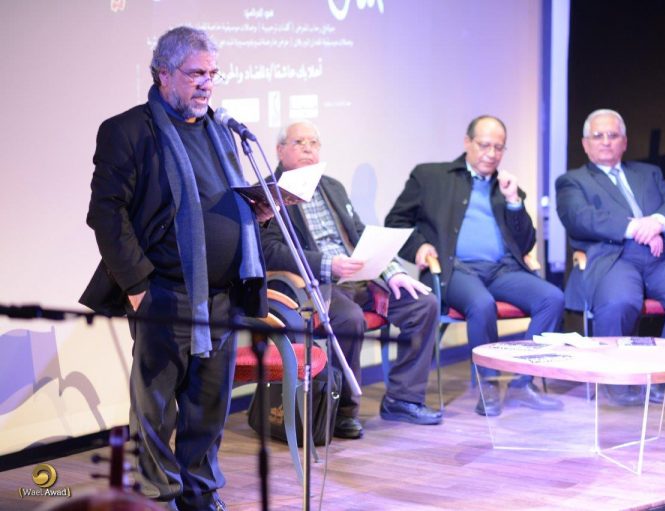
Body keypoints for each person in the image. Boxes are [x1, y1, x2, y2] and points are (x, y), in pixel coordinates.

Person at [79, 27, 271, 511]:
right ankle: (156, 496)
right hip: (164, 293)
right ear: (162, 74)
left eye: (213, 74)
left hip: (221, 295)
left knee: (208, 407)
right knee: (156, 409)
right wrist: (138, 287)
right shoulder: (128, 131)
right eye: (196, 74)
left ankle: (200, 494)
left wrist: (257, 212)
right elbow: (106, 214)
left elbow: (224, 200)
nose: (206, 83)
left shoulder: (221, 132)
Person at [261, 120, 443, 439]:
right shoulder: (267, 193)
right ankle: (344, 411)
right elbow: (269, 250)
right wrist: (329, 264)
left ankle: (403, 399)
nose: (308, 149)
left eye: (314, 143)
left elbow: (359, 234)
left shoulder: (331, 186)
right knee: (350, 318)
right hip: (313, 284)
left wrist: (393, 272)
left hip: (360, 277)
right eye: (299, 142)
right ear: (280, 150)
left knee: (423, 304)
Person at [385, 115, 565, 417]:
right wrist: (419, 247)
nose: (491, 154)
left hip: (502, 270)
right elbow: (396, 222)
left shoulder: (506, 188)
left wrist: (514, 201)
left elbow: (524, 244)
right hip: (454, 269)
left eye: (498, 147)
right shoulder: (431, 176)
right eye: (484, 145)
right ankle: (488, 386)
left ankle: (523, 383)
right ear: (467, 142)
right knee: (482, 304)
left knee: (552, 298)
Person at [556, 108, 665, 405]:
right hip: (614, 256)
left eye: (613, 135)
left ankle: (660, 377)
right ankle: (616, 382)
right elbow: (579, 218)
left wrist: (657, 222)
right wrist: (636, 228)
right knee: (619, 303)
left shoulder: (649, 173)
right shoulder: (573, 181)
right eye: (598, 136)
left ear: (624, 142)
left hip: (660, 254)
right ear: (585, 144)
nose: (606, 141)